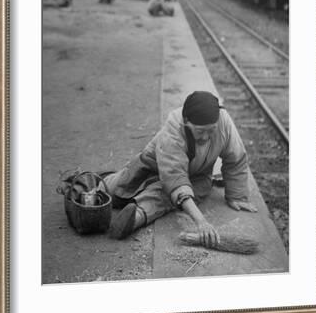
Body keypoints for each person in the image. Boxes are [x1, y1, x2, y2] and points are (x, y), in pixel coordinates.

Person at [102, 91, 257, 243]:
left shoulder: (223, 122)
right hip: (151, 165)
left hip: (196, 176)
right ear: (186, 122)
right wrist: (201, 222)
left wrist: (236, 195)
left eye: (211, 130)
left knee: (164, 196)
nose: (205, 137)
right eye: (200, 131)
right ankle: (88, 188)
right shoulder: (174, 127)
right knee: (118, 187)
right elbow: (175, 178)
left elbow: (236, 159)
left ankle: (135, 218)